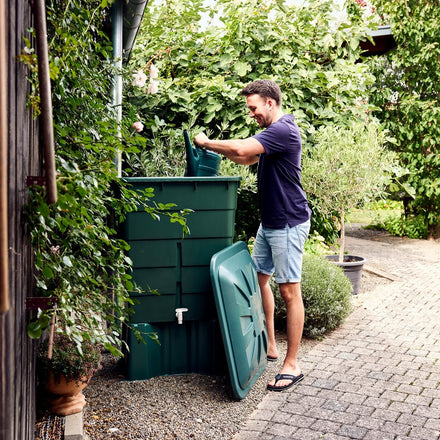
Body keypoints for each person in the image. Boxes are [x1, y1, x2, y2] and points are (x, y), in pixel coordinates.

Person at [194, 79, 311, 392]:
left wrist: (207, 142)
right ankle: (270, 344)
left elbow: (243, 147)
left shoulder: (284, 130)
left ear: (270, 103)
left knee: (289, 291)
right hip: (270, 223)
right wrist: (220, 153)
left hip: (288, 222)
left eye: (254, 108)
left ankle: (293, 364)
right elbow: (246, 157)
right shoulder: (272, 136)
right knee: (258, 282)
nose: (252, 114)